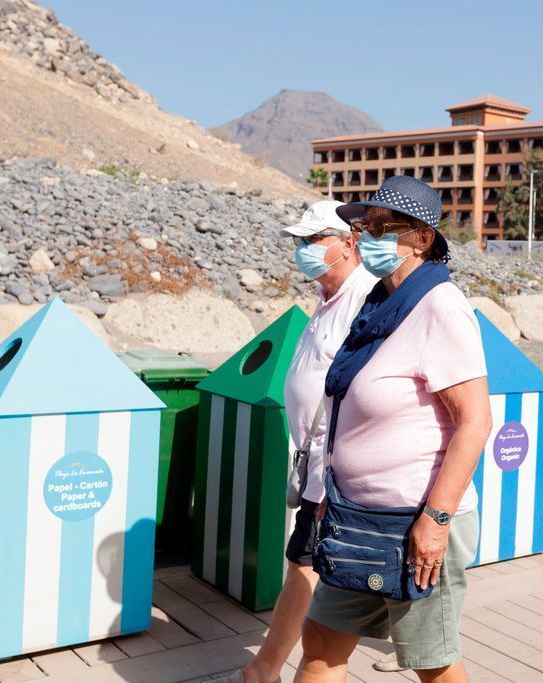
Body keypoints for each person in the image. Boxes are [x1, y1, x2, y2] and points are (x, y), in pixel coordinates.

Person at [296, 176, 491, 683]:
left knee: (432, 664)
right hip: (355, 515)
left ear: (422, 238)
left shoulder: (441, 307)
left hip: (413, 524)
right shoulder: (380, 302)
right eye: (365, 226)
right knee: (318, 640)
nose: (368, 237)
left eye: (384, 227)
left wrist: (437, 521)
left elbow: (474, 421)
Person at [223, 200, 377, 683]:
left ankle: (264, 669)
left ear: (348, 243)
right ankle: (264, 668)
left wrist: (338, 478)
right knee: (302, 568)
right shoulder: (328, 297)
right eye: (299, 241)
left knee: (311, 580)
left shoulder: (364, 297)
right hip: (317, 469)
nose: (302, 250)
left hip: (336, 475)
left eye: (313, 240)